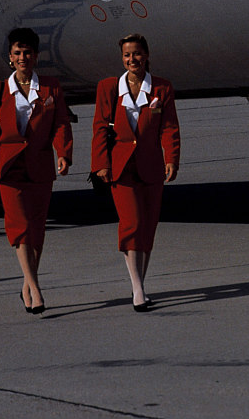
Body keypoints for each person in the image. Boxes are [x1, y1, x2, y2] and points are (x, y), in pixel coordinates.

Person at [0, 27, 73, 314]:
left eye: (27, 53)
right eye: (17, 53)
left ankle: (26, 287)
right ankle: (35, 288)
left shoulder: (50, 88)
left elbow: (60, 123)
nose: (23, 57)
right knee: (19, 227)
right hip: (7, 167)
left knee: (37, 229)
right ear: (10, 57)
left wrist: (64, 153)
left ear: (36, 56)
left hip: (40, 166)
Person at [91, 32, 180, 311]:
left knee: (148, 226)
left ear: (147, 55)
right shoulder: (108, 87)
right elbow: (100, 127)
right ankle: (137, 288)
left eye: (137, 53)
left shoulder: (162, 89)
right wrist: (101, 164)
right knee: (132, 224)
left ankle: (140, 283)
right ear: (122, 58)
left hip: (151, 166)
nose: (133, 59)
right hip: (121, 168)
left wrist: (172, 159)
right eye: (127, 55)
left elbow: (169, 127)